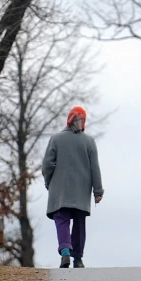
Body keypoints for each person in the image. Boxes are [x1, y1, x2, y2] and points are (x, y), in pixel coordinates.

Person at [42, 106, 104, 268]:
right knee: (79, 222)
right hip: (81, 191)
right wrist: (98, 191)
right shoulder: (89, 142)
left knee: (61, 220)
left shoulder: (56, 139)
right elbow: (94, 168)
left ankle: (65, 253)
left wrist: (49, 182)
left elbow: (47, 165)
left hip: (60, 190)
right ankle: (78, 259)